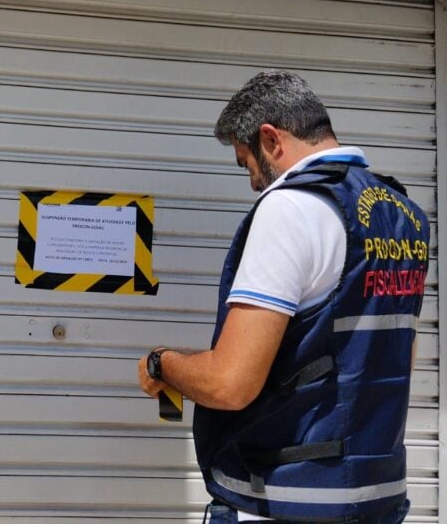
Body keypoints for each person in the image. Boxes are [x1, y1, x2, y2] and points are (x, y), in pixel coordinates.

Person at [138, 70, 429, 523]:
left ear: (271, 140)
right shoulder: (402, 214)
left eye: (246, 163)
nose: (253, 181)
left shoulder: (290, 208)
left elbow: (230, 384)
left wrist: (163, 363)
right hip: (378, 499)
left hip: (285, 500)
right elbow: (393, 356)